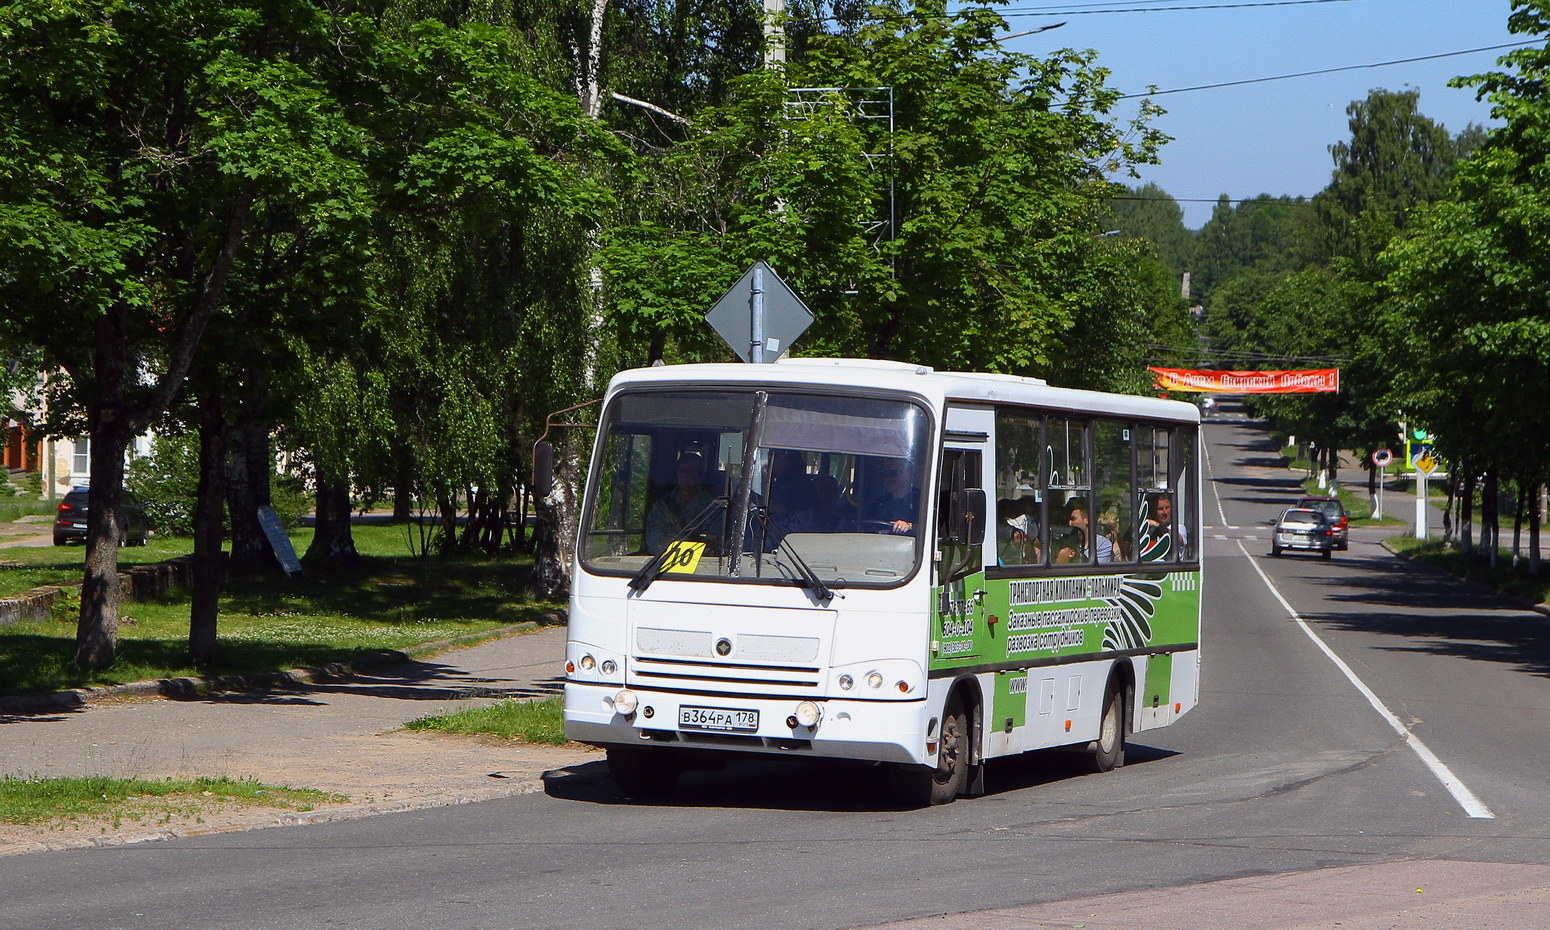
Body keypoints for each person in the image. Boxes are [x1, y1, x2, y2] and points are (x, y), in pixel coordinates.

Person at [645, 453, 718, 554]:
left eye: (695, 472)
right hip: (660, 563)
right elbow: (655, 541)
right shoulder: (663, 505)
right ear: (677, 473)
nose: (689, 476)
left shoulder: (714, 506)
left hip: (703, 565)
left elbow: (715, 543)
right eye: (685, 471)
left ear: (701, 476)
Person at [864, 460, 919, 535]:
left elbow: (930, 528)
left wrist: (909, 526)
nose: (888, 478)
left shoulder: (922, 500)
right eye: (885, 474)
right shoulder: (877, 504)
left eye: (893, 473)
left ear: (908, 473)